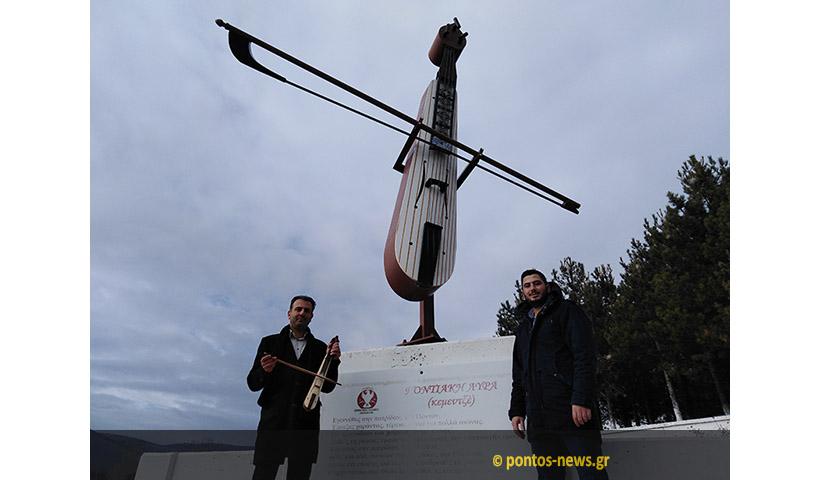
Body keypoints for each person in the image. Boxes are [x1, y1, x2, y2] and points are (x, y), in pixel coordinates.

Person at [509, 269, 609, 480]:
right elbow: (519, 374)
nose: (532, 289)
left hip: (573, 413)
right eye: (527, 286)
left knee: (592, 474)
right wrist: (517, 410)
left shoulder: (567, 312)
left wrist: (581, 400)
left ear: (546, 285)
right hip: (539, 420)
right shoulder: (523, 328)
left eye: (537, 283)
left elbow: (585, 357)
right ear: (522, 292)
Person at [247, 295, 341, 480]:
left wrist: (334, 361)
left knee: (300, 474)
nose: (302, 313)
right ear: (289, 313)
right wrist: (264, 372)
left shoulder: (320, 348)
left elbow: (328, 387)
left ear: (312, 316)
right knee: (264, 474)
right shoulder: (269, 343)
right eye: (298, 309)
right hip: (273, 423)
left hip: (306, 424)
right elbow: (252, 383)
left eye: (306, 310)